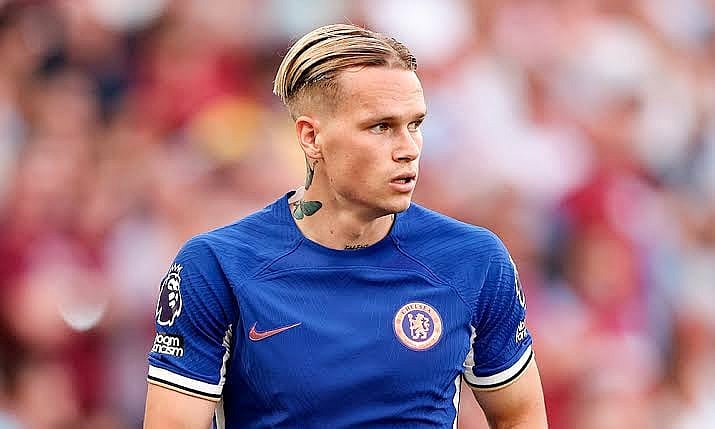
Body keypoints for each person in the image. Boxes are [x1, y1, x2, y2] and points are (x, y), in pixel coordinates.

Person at [143, 23, 547, 429]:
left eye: (415, 125)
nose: (408, 149)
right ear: (311, 137)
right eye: (381, 127)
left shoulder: (473, 260)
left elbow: (519, 415)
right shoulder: (217, 267)